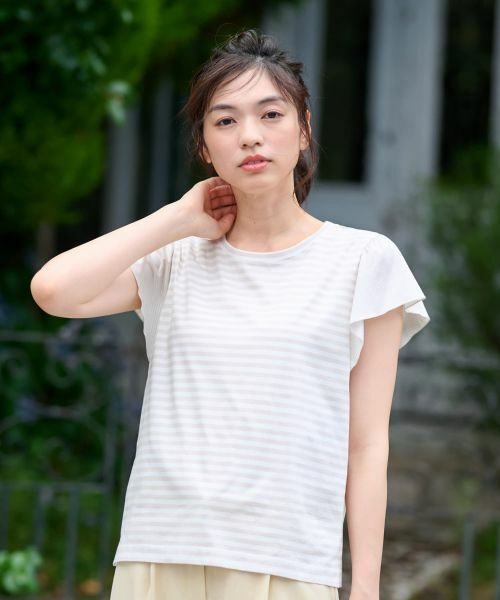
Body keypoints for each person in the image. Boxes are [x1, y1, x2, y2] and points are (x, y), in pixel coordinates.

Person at [30, 28, 430, 600]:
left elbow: (367, 444)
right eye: (225, 121)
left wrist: (365, 586)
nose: (250, 136)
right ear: (204, 146)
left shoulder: (364, 261)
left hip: (284, 559)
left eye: (271, 114)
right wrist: (176, 218)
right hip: (160, 550)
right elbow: (53, 291)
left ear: (304, 129)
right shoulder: (175, 257)